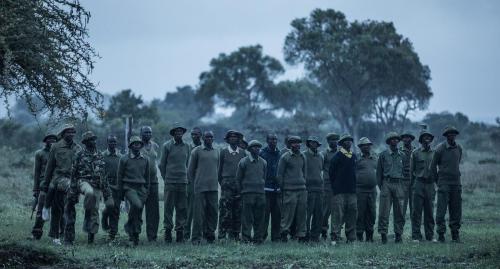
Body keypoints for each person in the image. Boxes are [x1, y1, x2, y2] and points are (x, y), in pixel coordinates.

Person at [65, 131, 112, 245]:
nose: (94, 141)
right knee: (90, 193)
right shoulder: (80, 155)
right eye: (91, 140)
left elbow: (103, 175)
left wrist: (107, 193)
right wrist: (72, 189)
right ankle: (86, 211)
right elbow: (73, 173)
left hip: (97, 184)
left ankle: (91, 239)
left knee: (94, 212)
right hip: (83, 181)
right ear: (86, 142)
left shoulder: (100, 155)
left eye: (94, 139)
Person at [41, 124, 81, 245]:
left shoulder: (78, 148)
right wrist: (45, 183)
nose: (71, 134)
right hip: (59, 179)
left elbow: (81, 167)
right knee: (57, 209)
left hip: (73, 181)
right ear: (63, 134)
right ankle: (55, 236)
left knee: (69, 209)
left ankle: (68, 237)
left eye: (73, 132)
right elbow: (49, 167)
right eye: (68, 132)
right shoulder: (56, 147)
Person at [431, 126, 463, 243]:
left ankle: (455, 234)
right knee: (441, 211)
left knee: (456, 211)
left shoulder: (459, 148)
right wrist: (438, 181)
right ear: (446, 136)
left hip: (456, 184)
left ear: (455, 135)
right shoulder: (440, 149)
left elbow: (457, 163)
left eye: (453, 133)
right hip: (443, 184)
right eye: (449, 134)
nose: (452, 135)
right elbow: (432, 166)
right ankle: (441, 234)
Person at [159, 124, 190, 243]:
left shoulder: (187, 146)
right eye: (177, 131)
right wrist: (166, 178)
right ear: (173, 133)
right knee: (168, 208)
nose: (179, 133)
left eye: (181, 131)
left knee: (182, 208)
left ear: (183, 133)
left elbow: (188, 164)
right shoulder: (167, 146)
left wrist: (186, 177)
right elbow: (162, 165)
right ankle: (167, 232)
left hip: (183, 182)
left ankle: (180, 233)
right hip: (170, 182)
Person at [117, 136, 151, 246]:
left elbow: (147, 177)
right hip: (129, 188)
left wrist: (146, 190)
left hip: (141, 188)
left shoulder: (145, 159)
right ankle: (130, 228)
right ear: (131, 146)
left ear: (141, 146)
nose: (137, 146)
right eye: (134, 144)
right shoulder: (124, 159)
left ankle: (135, 235)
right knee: (137, 205)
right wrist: (120, 192)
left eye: (138, 144)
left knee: (138, 212)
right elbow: (120, 176)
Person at [188, 131, 220, 244]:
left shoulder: (216, 151)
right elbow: (190, 171)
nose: (209, 139)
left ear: (213, 138)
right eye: (207, 137)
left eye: (211, 137)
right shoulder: (196, 151)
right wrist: (194, 184)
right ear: (203, 138)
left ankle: (210, 235)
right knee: (198, 214)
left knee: (213, 212)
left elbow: (218, 168)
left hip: (213, 188)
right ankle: (196, 238)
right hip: (200, 188)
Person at [277, 136, 307, 242]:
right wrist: (283, 188)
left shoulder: (303, 156)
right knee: (288, 214)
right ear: (290, 145)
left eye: (298, 143)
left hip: (302, 189)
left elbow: (304, 172)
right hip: (289, 190)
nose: (297, 145)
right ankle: (284, 234)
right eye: (294, 143)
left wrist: (304, 183)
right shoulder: (285, 157)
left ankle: (301, 235)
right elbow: (279, 175)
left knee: (302, 213)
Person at [236, 140, 267, 244]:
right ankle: (246, 238)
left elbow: (264, 177)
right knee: (247, 218)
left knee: (259, 217)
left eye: (258, 147)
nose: (257, 149)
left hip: (260, 193)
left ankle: (258, 238)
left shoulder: (263, 162)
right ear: (249, 149)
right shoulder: (243, 162)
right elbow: (238, 179)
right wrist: (242, 192)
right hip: (247, 194)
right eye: (254, 147)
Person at [377, 132, 405, 244]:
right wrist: (382, 186)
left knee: (399, 211)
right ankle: (383, 235)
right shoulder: (383, 155)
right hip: (386, 184)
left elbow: (406, 171)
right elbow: (378, 173)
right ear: (389, 142)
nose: (395, 141)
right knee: (384, 211)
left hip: (398, 184)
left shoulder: (402, 155)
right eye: (392, 139)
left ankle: (398, 235)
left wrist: (402, 185)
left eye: (396, 139)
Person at [218, 130, 246, 240]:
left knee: (238, 210)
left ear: (238, 139)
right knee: (225, 210)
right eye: (231, 137)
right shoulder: (223, 152)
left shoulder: (243, 153)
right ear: (228, 140)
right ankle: (222, 235)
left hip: (239, 185)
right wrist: (224, 183)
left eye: (235, 137)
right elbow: (219, 171)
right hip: (226, 184)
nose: (233, 138)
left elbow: (244, 170)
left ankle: (235, 234)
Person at [330, 134, 357, 245]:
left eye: (350, 140)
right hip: (339, 192)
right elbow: (331, 174)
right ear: (341, 143)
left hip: (352, 191)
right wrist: (336, 188)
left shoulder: (354, 156)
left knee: (352, 214)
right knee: (337, 215)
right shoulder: (337, 157)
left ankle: (351, 238)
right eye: (346, 141)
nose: (348, 142)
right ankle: (335, 238)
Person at [410, 127, 436, 242]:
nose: (427, 139)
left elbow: (436, 170)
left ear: (431, 140)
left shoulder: (435, 153)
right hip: (418, 184)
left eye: (429, 137)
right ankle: (416, 236)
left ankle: (430, 236)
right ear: (421, 140)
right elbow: (411, 171)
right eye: (425, 137)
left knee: (429, 211)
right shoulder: (415, 153)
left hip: (430, 185)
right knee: (416, 212)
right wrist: (412, 187)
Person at [31, 133, 57, 240]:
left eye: (54, 139)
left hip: (57, 185)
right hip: (43, 186)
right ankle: (36, 233)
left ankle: (56, 235)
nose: (52, 141)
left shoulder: (59, 153)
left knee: (58, 210)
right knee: (40, 210)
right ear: (45, 141)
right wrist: (35, 189)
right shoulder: (39, 153)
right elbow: (36, 172)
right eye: (49, 139)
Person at [259, 134, 281, 242]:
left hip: (277, 190)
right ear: (267, 140)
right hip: (265, 189)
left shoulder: (280, 154)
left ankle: (276, 237)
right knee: (265, 214)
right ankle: (262, 236)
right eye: (272, 139)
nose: (274, 141)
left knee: (277, 214)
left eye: (275, 139)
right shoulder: (262, 153)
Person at [355, 137, 377, 242]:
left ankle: (369, 235)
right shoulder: (356, 158)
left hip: (372, 190)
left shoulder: (375, 157)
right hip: (360, 190)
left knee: (371, 213)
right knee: (360, 213)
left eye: (368, 145)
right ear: (360, 147)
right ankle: (359, 235)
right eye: (364, 145)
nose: (367, 146)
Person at [140, 126, 160, 242]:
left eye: (150, 132)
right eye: (146, 132)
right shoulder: (136, 146)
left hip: (153, 182)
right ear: (141, 133)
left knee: (153, 211)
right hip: (140, 183)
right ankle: (135, 234)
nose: (148, 134)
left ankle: (152, 236)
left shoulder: (155, 146)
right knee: (137, 209)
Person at [101, 135, 122, 241]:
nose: (113, 144)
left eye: (114, 142)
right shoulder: (102, 155)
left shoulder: (120, 156)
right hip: (107, 185)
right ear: (107, 142)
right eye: (111, 142)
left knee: (116, 209)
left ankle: (113, 233)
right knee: (110, 206)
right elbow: (100, 172)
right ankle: (104, 215)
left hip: (117, 185)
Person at [304, 136, 324, 242]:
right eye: (312, 142)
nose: (314, 144)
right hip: (308, 189)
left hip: (319, 189)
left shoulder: (321, 156)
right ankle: (305, 235)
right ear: (308, 144)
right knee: (307, 214)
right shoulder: (304, 155)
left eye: (316, 143)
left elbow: (322, 170)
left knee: (319, 214)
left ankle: (315, 236)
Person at [185, 127, 202, 240]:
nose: (194, 136)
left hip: (202, 181)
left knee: (200, 209)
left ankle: (199, 233)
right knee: (189, 209)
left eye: (196, 134)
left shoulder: (204, 147)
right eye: (192, 134)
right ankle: (186, 234)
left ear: (200, 135)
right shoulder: (188, 148)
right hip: (190, 181)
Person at [321, 133, 339, 240]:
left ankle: (336, 232)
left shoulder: (342, 153)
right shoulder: (324, 154)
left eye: (336, 140)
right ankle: (323, 231)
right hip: (327, 185)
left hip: (339, 185)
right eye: (332, 140)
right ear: (328, 142)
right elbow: (320, 168)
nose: (334, 142)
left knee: (337, 210)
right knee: (326, 210)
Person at [400, 131, 416, 227]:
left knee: (414, 209)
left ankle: (415, 233)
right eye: (404, 137)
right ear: (402, 139)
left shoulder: (416, 151)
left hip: (414, 182)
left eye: (408, 137)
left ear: (411, 139)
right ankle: (399, 233)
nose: (406, 139)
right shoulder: (398, 151)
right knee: (402, 209)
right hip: (403, 182)